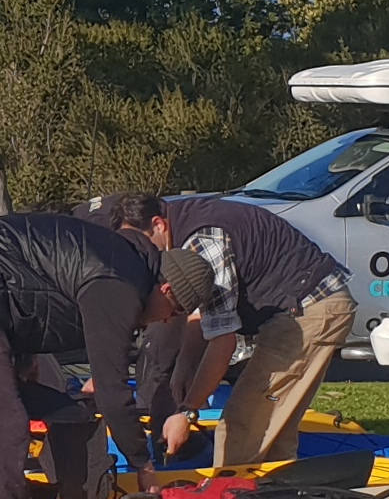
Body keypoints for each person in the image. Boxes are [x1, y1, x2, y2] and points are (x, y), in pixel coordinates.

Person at [0, 208, 197, 499]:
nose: (168, 322)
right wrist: (144, 464)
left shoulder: (126, 265)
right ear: (166, 290)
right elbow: (113, 394)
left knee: (57, 408)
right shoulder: (120, 285)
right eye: (176, 312)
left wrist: (23, 360)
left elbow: (34, 281)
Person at [98, 189, 359, 473]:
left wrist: (187, 410)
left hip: (310, 307)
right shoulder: (185, 224)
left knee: (243, 422)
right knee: (274, 428)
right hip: (306, 304)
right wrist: (185, 369)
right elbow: (203, 315)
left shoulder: (203, 241)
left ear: (159, 225)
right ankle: (272, 497)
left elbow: (223, 340)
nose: (141, 254)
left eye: (141, 242)